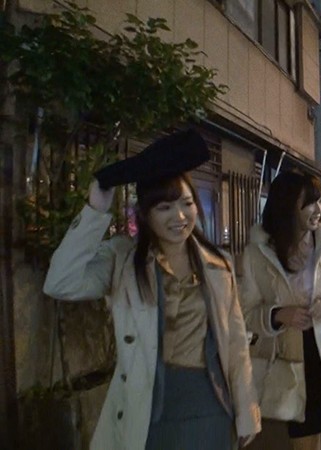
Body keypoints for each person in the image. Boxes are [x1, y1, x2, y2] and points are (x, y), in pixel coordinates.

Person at [43, 129, 261, 450]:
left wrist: (247, 411)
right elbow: (60, 282)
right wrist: (95, 211)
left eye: (187, 203)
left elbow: (235, 344)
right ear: (144, 214)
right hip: (146, 409)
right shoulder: (123, 260)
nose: (180, 216)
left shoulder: (218, 265)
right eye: (164, 207)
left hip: (210, 405)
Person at [240, 170, 321, 450]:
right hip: (294, 369)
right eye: (310, 202)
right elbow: (246, 311)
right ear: (287, 205)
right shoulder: (257, 254)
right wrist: (277, 315)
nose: (319, 209)